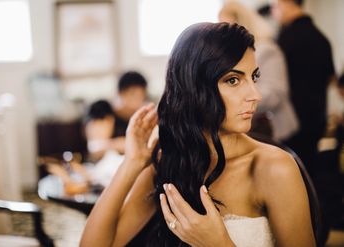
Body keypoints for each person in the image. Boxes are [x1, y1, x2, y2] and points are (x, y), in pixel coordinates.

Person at [80, 23, 317, 247]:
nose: (255, 94)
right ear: (193, 89)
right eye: (233, 80)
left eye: (253, 77)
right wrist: (132, 163)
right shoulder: (170, 163)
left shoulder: (274, 168)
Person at [271, 0, 336, 174]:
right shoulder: (321, 38)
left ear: (286, 3)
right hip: (317, 119)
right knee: (309, 175)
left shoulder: (283, 40)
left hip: (290, 124)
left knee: (289, 175)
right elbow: (331, 78)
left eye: (275, 6)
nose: (273, 12)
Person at [218, 1, 298, 141]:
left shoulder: (266, 50)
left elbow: (275, 93)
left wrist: (233, 101)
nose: (224, 35)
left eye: (227, 26)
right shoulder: (228, 55)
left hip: (274, 129)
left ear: (242, 23)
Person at [86, 71, 149, 161]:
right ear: (120, 93)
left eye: (141, 95)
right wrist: (130, 143)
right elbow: (95, 147)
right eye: (132, 94)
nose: (137, 100)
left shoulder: (144, 115)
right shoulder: (104, 110)